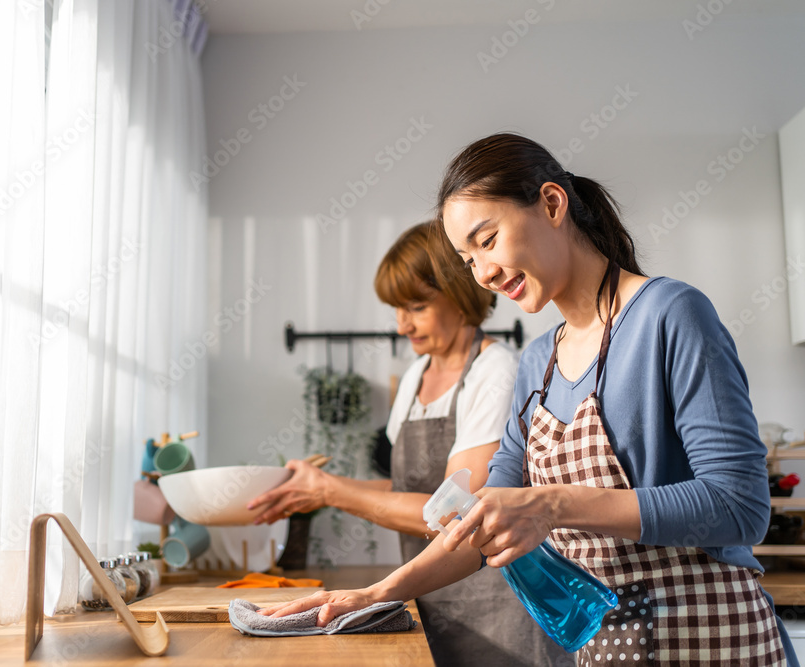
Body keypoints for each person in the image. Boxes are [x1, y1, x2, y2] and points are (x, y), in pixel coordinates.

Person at [261, 133, 799, 666]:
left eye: (488, 240)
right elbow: (478, 525)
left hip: (711, 640)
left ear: (551, 202)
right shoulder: (538, 361)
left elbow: (740, 507)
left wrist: (549, 503)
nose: (485, 273)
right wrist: (379, 593)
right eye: (468, 260)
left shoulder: (670, 314)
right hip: (605, 649)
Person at [248, 222, 571, 666]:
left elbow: (456, 515)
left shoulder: (495, 371)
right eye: (397, 309)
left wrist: (331, 491)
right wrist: (319, 487)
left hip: (498, 609)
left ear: (461, 295)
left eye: (416, 307)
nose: (403, 326)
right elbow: (407, 487)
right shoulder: (416, 377)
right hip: (431, 598)